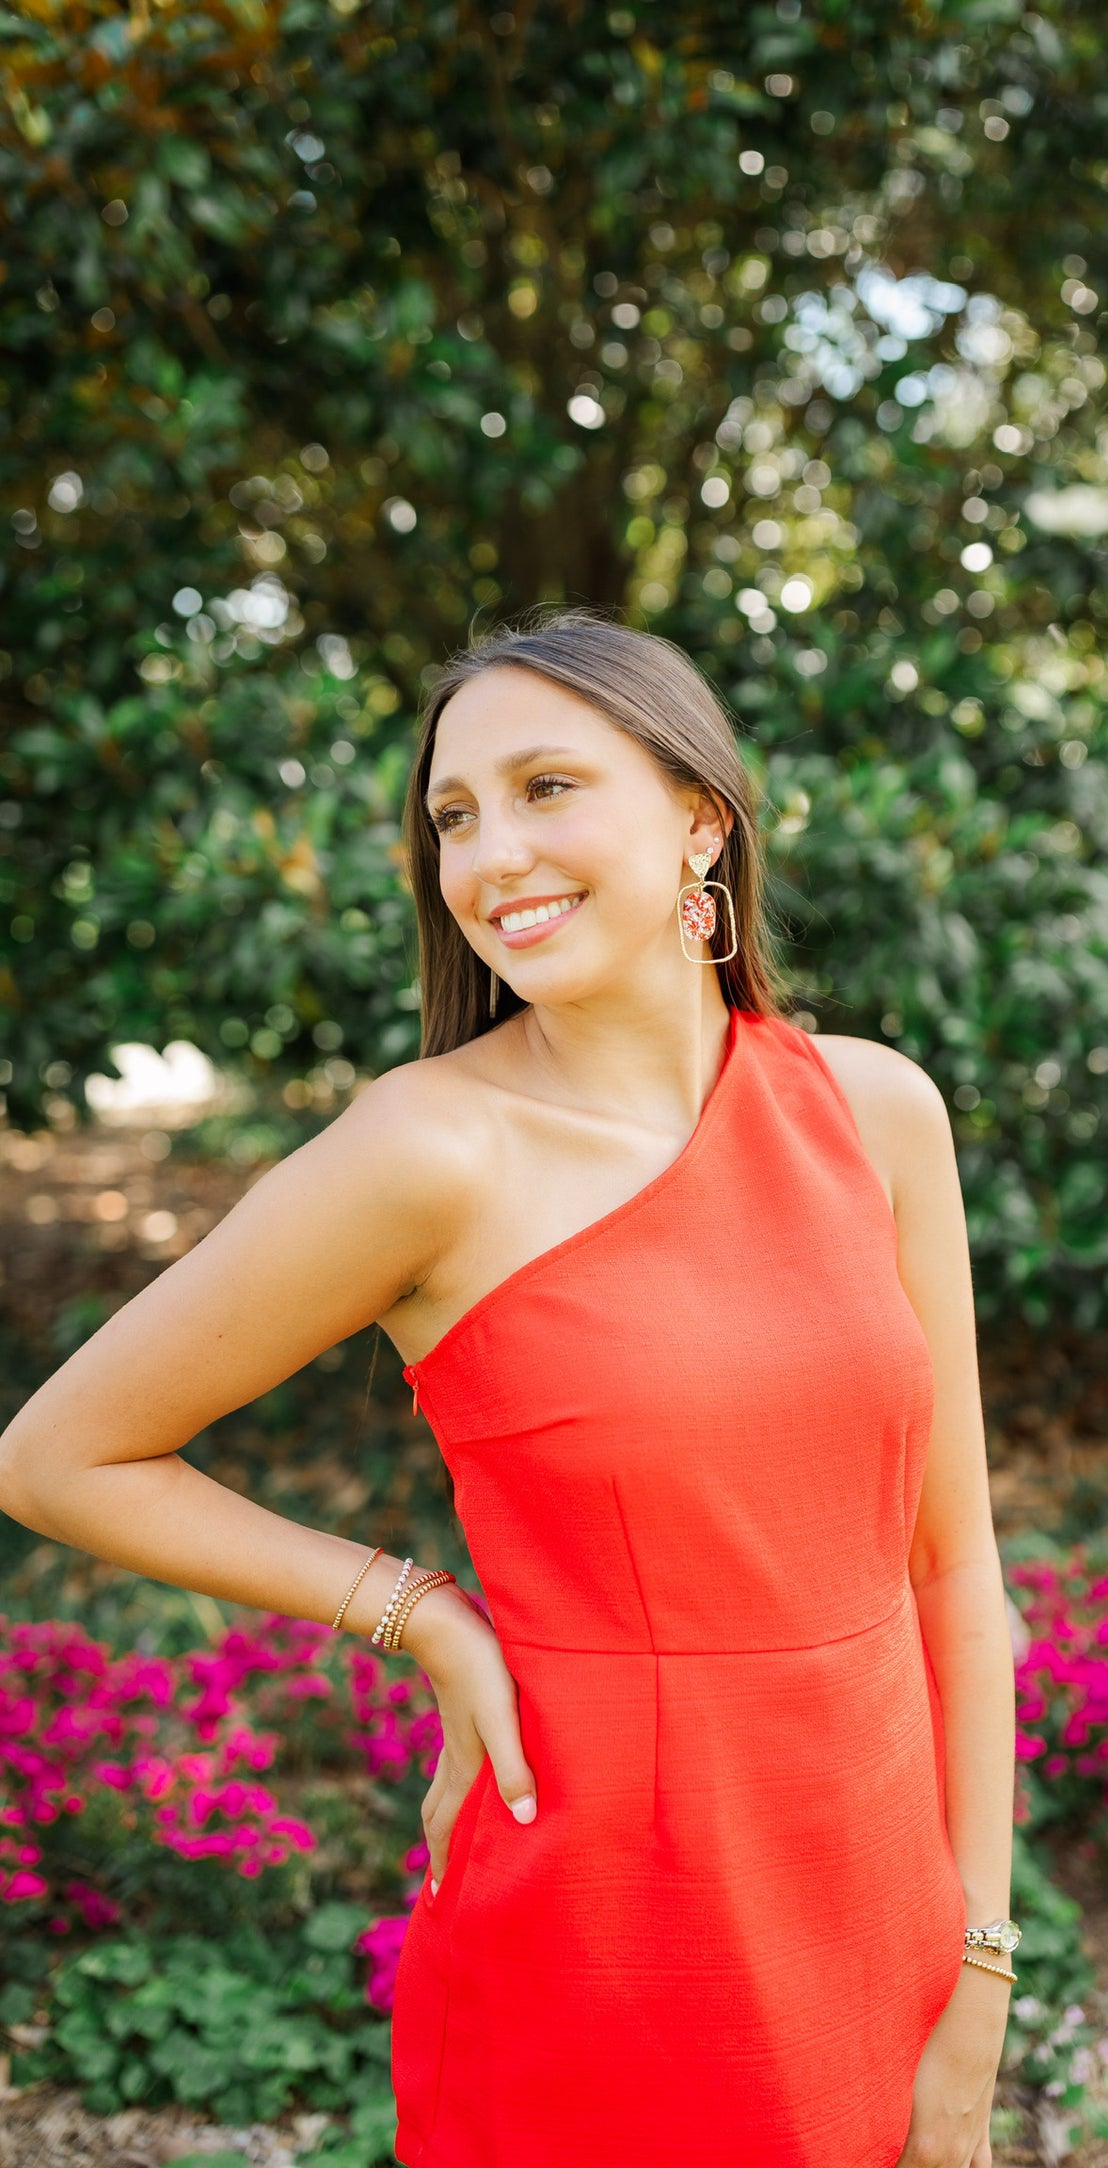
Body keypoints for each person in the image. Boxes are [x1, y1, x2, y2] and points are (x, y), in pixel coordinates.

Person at [0, 604, 1019, 2168]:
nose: (490, 856)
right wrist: (420, 1614)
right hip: (604, 1925)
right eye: (455, 817)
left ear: (699, 820)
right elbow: (59, 1456)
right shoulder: (426, 1153)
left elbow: (953, 1568)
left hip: (875, 1896)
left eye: (547, 787)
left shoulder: (879, 1112)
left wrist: (982, 1957)